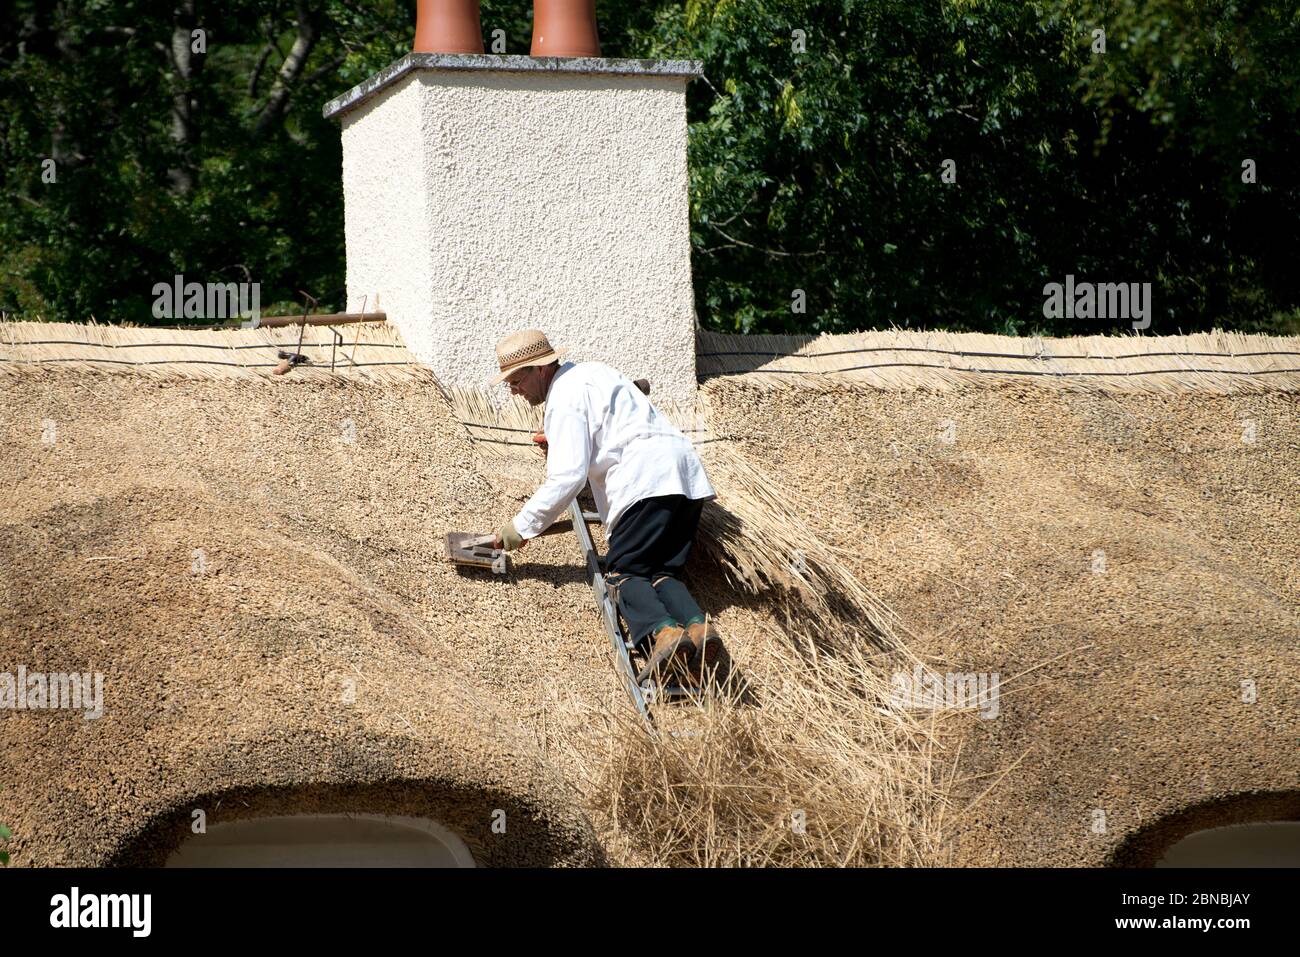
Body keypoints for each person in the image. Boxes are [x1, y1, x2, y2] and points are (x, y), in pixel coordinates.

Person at [489, 329, 724, 682]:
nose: (514, 390)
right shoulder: (597, 373)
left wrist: (519, 528)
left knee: (623, 573)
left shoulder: (563, 399)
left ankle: (665, 634)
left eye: (516, 380)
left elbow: (568, 477)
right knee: (661, 573)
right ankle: (698, 628)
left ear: (540, 369)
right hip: (684, 476)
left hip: (642, 479)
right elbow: (607, 430)